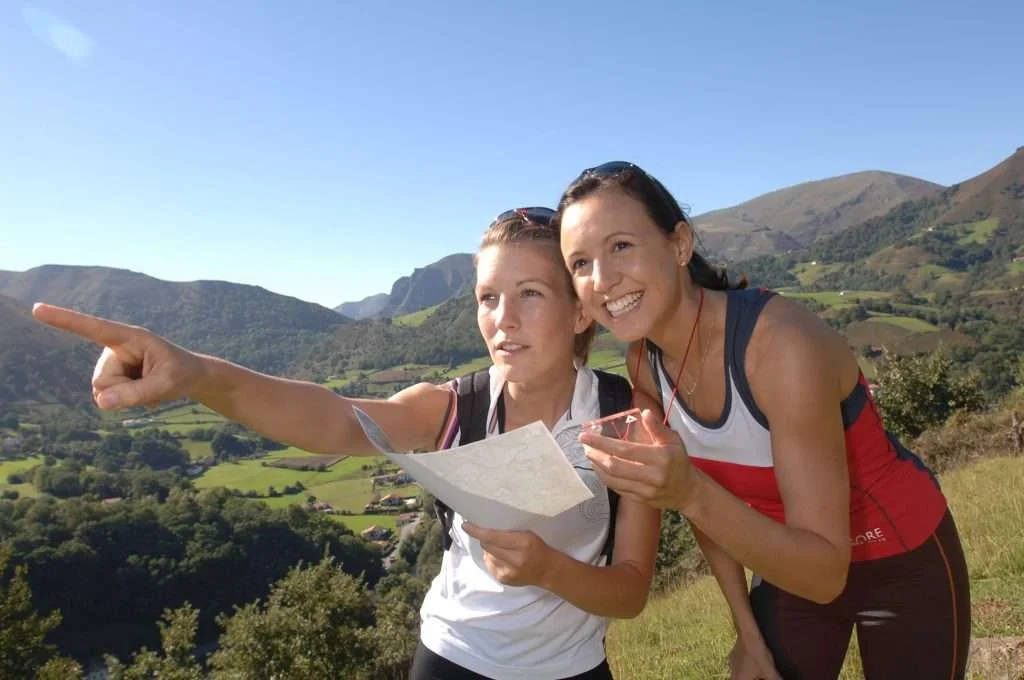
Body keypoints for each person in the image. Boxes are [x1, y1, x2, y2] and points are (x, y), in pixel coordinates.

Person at [33, 206, 660, 680]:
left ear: (580, 312)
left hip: (571, 669)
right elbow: (333, 419)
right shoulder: (455, 407)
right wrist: (195, 373)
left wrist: (548, 569)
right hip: (452, 658)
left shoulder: (624, 418)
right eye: (488, 298)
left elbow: (631, 592)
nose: (503, 320)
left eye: (531, 294)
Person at [553, 161, 971, 680]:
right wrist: (747, 633)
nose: (602, 280)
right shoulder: (645, 362)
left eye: (620, 246)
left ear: (679, 244)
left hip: (900, 557)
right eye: (580, 263)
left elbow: (822, 573)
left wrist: (687, 492)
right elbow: (707, 512)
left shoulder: (778, 345)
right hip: (785, 561)